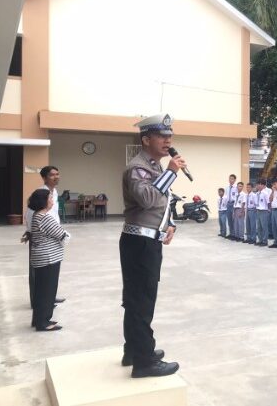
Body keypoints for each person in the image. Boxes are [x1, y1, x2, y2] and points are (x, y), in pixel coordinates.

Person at [119, 113, 181, 377]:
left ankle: (134, 350)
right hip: (139, 242)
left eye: (170, 136)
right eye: (162, 136)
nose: (168, 140)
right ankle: (144, 361)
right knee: (141, 300)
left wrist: (169, 223)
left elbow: (160, 203)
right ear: (146, 139)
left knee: (138, 299)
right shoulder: (138, 167)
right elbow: (146, 198)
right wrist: (170, 173)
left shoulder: (154, 166)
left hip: (148, 240)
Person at [27, 188, 70, 331]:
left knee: (41, 291)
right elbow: (62, 235)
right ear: (43, 201)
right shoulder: (45, 217)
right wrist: (66, 235)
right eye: (50, 199)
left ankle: (38, 319)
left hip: (41, 258)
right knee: (47, 292)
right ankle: (44, 322)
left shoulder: (37, 215)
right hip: (48, 259)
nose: (52, 201)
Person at [24, 166, 66, 309]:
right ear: (44, 178)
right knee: (39, 272)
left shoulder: (54, 192)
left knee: (52, 271)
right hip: (41, 237)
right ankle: (37, 301)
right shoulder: (41, 193)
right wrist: (30, 231)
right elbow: (30, 212)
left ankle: (49, 298)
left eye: (57, 174)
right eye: (52, 175)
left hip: (53, 235)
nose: (56, 177)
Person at [255, 180, 271, 246]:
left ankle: (265, 241)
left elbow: (268, 202)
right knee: (259, 227)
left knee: (264, 227)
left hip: (264, 211)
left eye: (259, 184)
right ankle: (260, 240)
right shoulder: (257, 193)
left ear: (262, 185)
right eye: (257, 184)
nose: (258, 186)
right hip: (258, 210)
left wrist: (269, 210)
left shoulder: (265, 193)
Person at [224, 174, 237, 239]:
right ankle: (231, 233)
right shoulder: (227, 188)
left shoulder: (236, 187)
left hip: (233, 204)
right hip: (228, 204)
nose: (230, 180)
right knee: (229, 219)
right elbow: (226, 196)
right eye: (229, 178)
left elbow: (237, 196)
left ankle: (234, 234)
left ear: (234, 180)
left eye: (232, 178)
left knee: (233, 219)